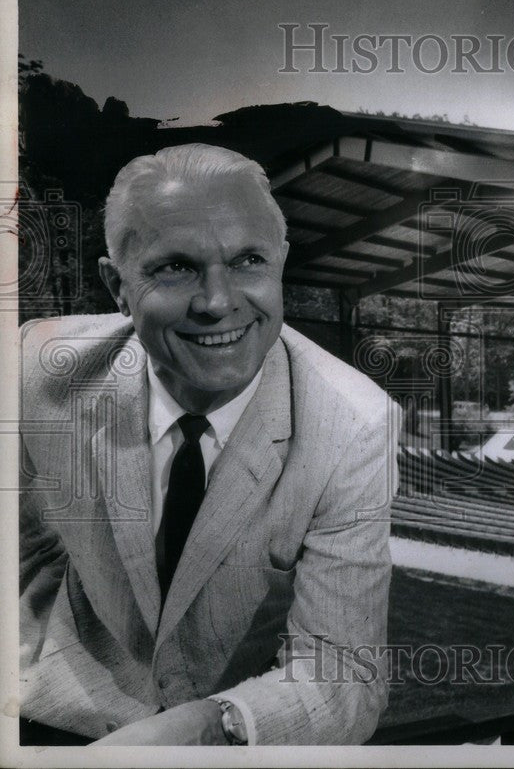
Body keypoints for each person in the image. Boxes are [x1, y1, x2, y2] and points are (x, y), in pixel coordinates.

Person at [19, 143, 400, 746]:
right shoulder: (37, 371)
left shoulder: (353, 424)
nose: (218, 302)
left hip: (234, 738)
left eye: (248, 260)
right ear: (116, 286)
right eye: (175, 267)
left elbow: (343, 674)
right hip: (50, 721)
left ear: (280, 264)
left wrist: (212, 727)